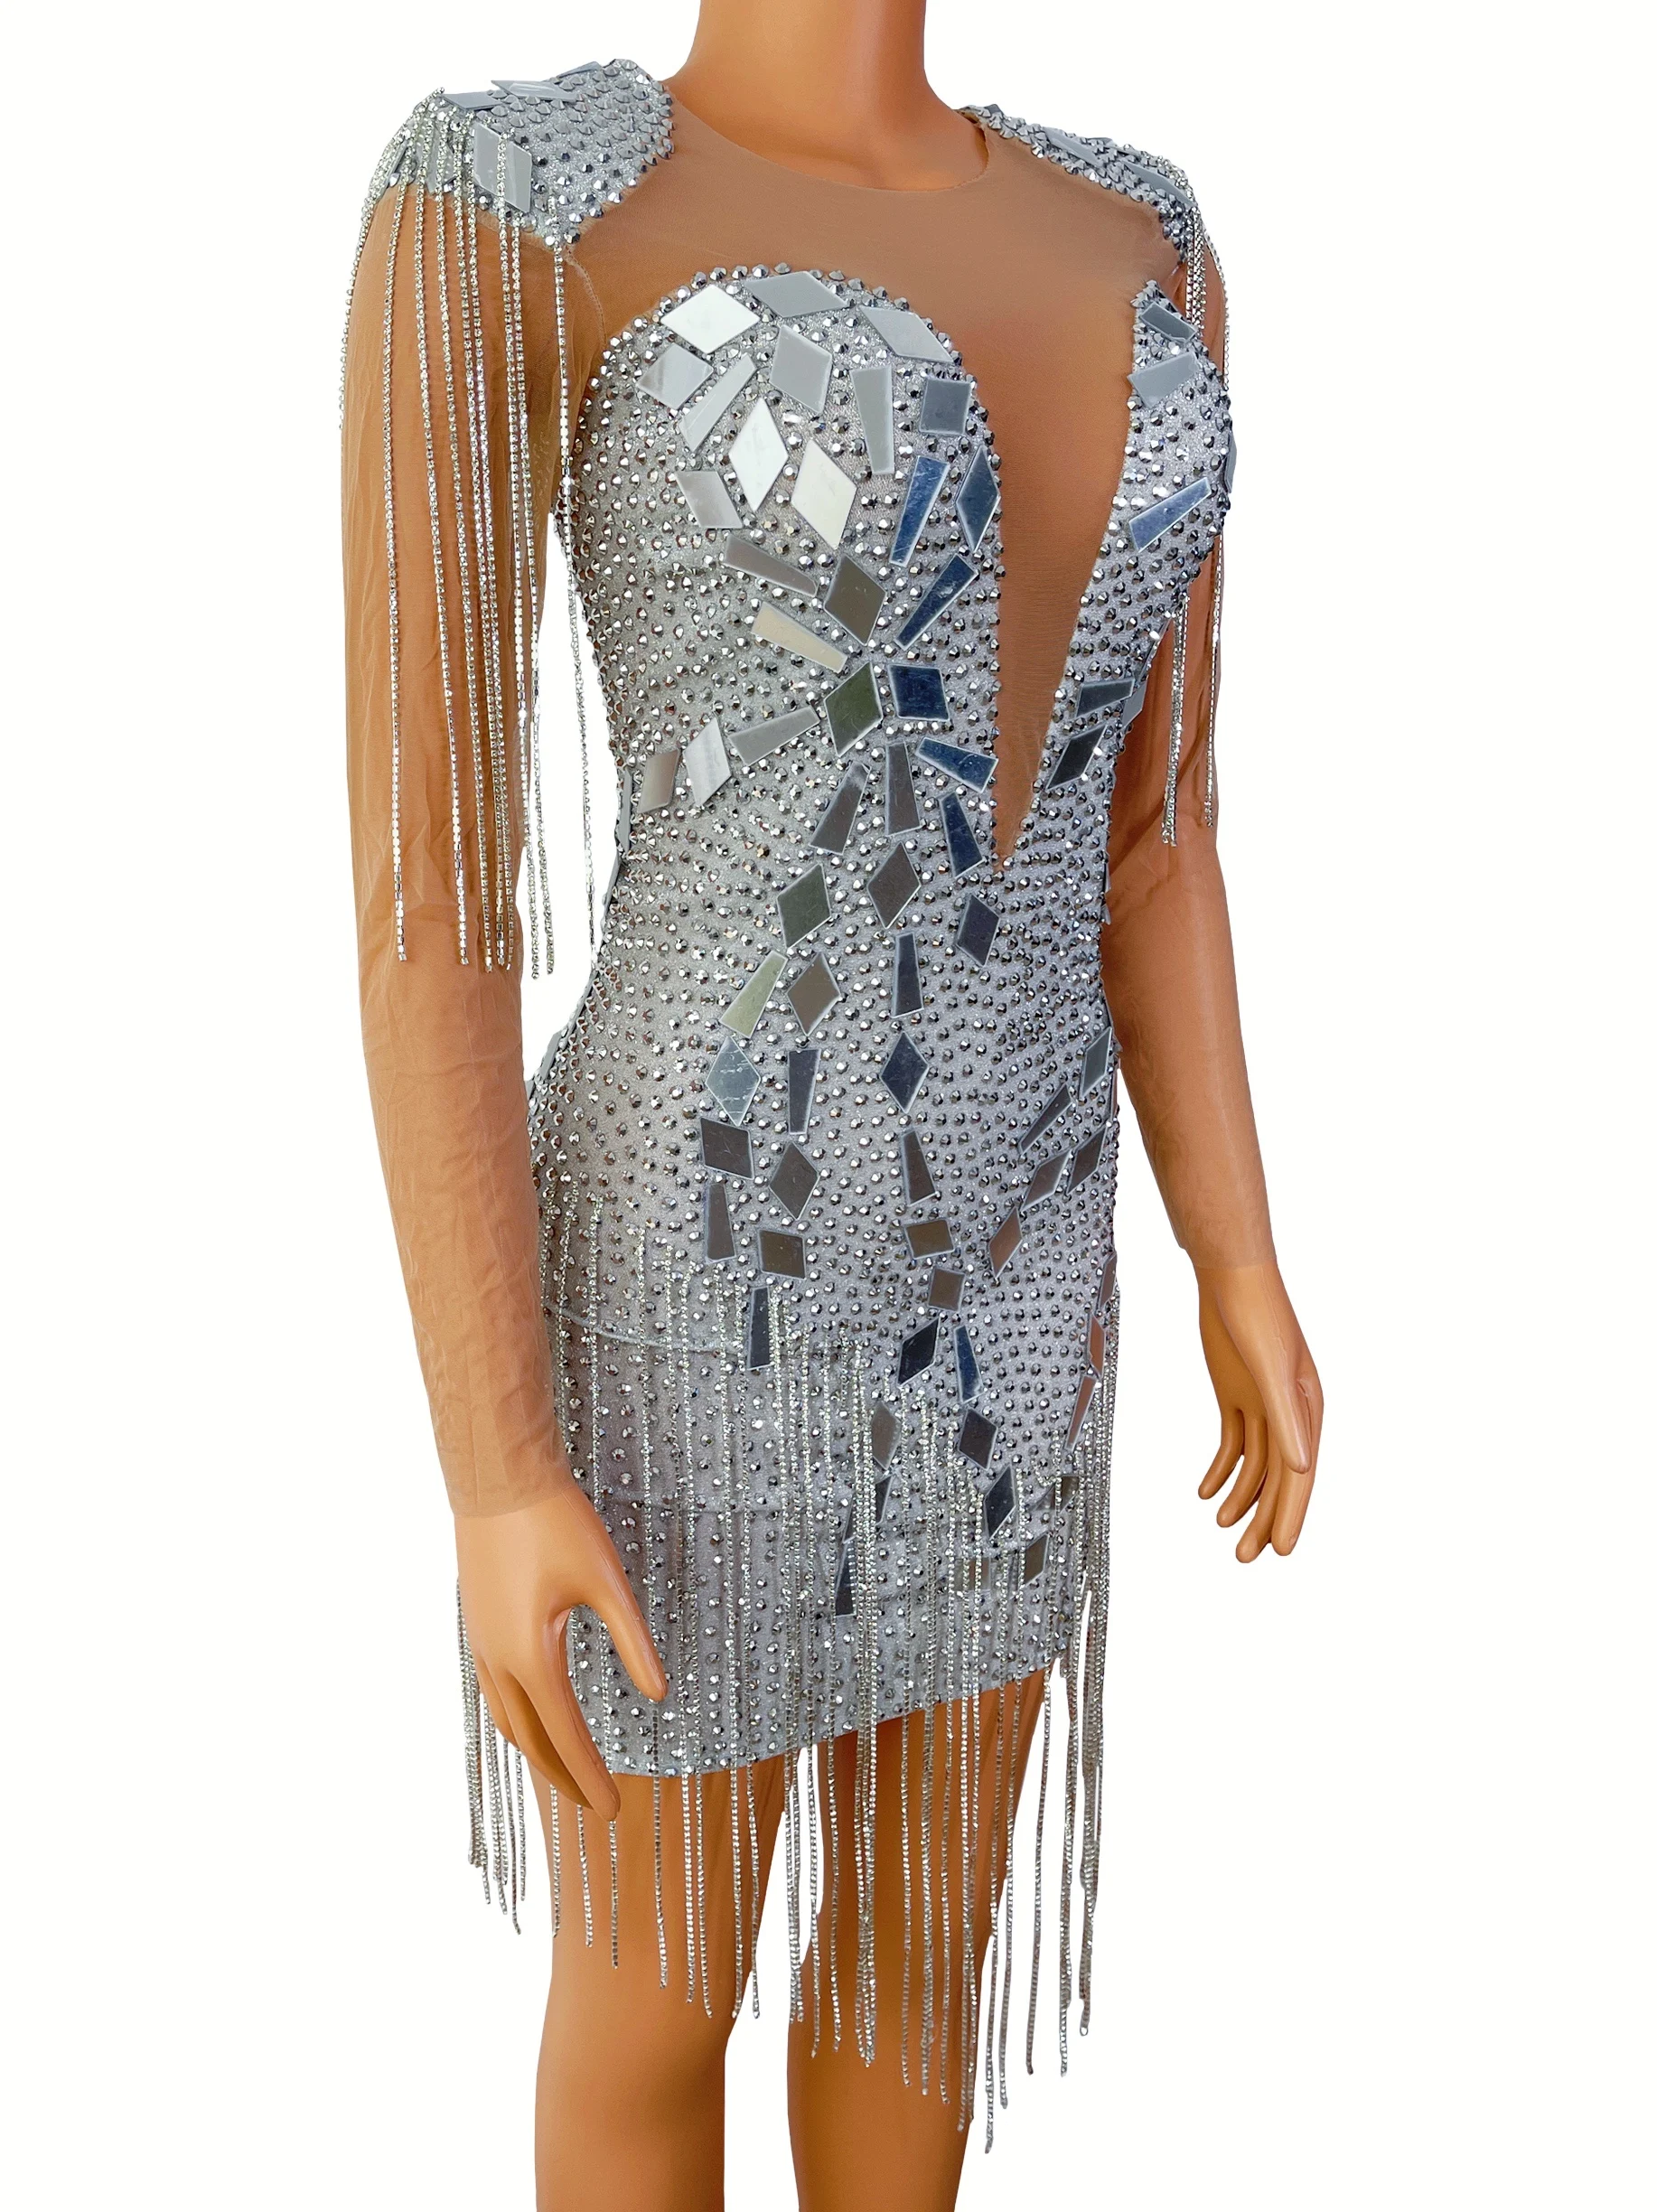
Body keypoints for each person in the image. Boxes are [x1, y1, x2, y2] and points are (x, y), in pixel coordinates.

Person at [341, 5, 1323, 2204]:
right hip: (698, 1267)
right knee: (655, 1996)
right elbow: (434, 907)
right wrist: (496, 1463)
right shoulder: (513, 198)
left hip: (1027, 1258)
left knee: (911, 1971)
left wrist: (1235, 1254)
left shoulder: (1144, 233)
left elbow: (1153, 831)